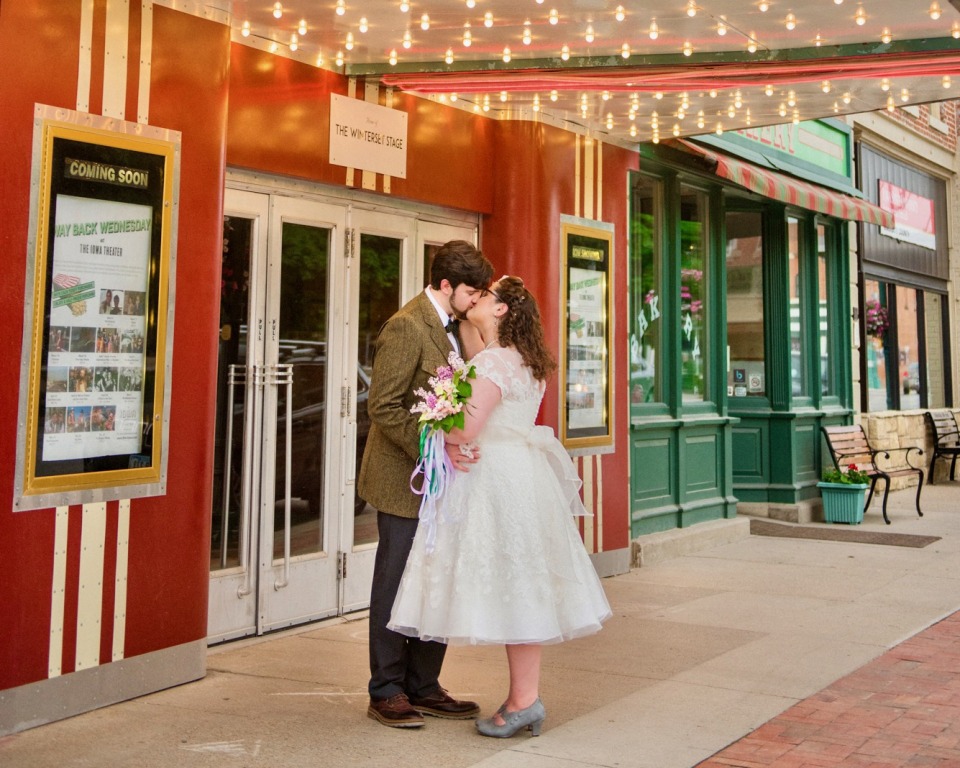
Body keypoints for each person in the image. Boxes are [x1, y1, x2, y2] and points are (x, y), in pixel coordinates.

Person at [388, 276, 612, 739]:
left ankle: (523, 701)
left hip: (495, 483)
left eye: (486, 295)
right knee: (522, 586)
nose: (478, 297)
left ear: (502, 310)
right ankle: (521, 700)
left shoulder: (493, 362)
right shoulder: (526, 361)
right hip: (519, 478)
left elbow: (466, 429)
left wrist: (432, 422)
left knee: (509, 584)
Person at [358, 239, 494, 729]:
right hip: (403, 480)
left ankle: (425, 684)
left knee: (438, 582)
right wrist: (434, 449)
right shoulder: (405, 326)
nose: (476, 300)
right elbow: (383, 407)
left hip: (446, 484)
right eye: (471, 291)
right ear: (444, 285)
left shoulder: (458, 327)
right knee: (396, 584)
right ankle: (386, 689)